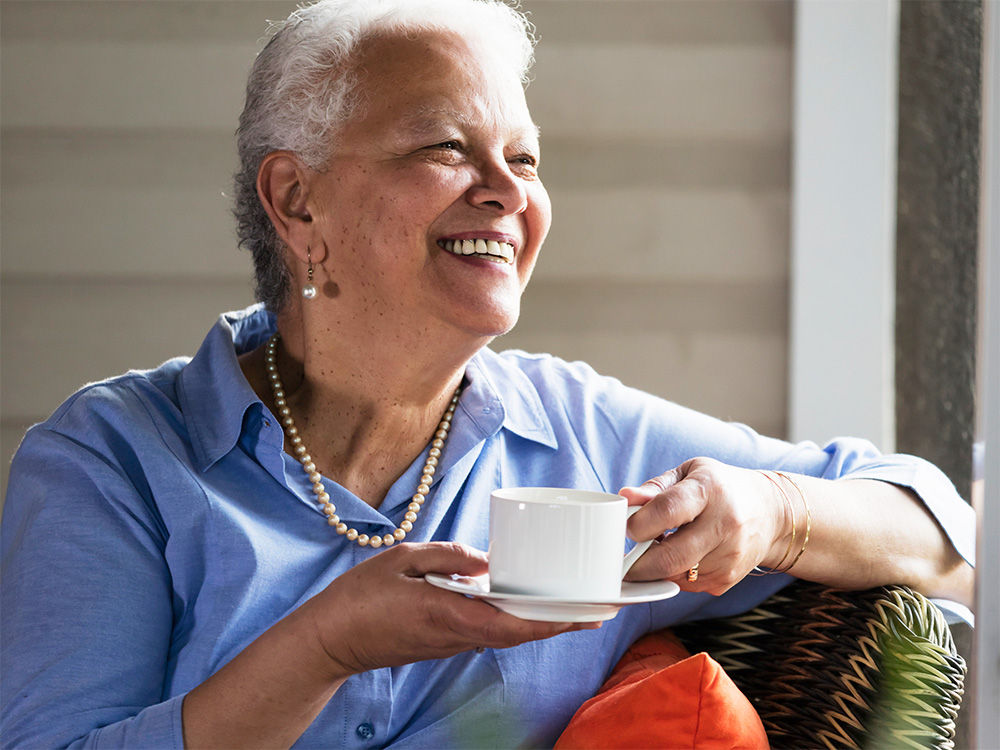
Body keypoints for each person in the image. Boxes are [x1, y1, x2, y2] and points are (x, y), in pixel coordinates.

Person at [0, 0, 974, 747]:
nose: (507, 192)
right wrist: (327, 645)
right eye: (445, 148)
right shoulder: (116, 458)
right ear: (297, 203)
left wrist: (768, 512)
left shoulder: (586, 436)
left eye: (524, 157)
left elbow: (951, 539)